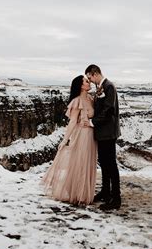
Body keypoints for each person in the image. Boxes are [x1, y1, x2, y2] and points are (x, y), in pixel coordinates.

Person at [42, 75, 97, 205]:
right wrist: (64, 140)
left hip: (91, 136)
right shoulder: (77, 101)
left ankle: (83, 193)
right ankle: (76, 194)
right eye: (86, 81)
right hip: (81, 136)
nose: (88, 83)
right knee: (80, 164)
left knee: (88, 163)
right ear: (81, 85)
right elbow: (72, 122)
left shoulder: (90, 99)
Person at [84, 64, 121, 210]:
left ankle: (116, 198)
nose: (89, 80)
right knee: (104, 163)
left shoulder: (108, 86)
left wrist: (93, 122)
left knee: (111, 164)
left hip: (108, 133)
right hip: (102, 133)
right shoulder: (101, 87)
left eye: (89, 77)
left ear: (94, 73)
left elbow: (108, 110)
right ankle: (106, 192)